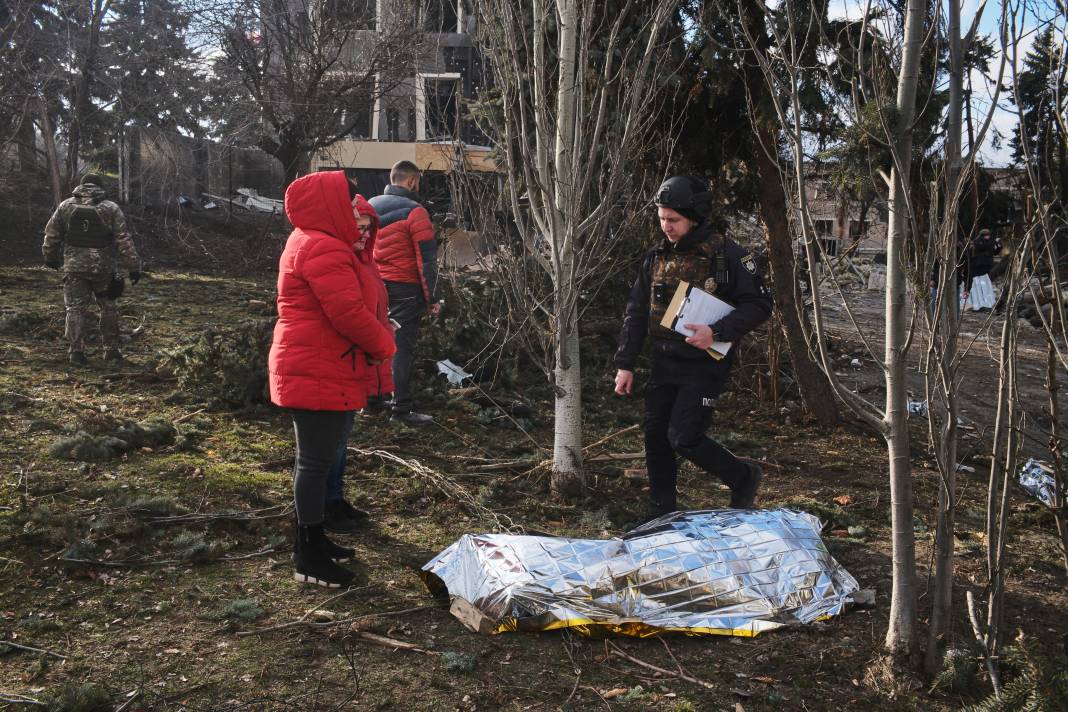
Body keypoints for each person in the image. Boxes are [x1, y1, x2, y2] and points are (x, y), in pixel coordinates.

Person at [613, 175, 773, 526]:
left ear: (695, 217)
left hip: (704, 364)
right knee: (656, 436)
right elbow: (636, 311)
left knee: (684, 437)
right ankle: (661, 511)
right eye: (661, 219)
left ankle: (743, 477)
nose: (666, 227)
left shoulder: (726, 255)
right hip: (664, 360)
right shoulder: (655, 257)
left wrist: (716, 330)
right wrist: (625, 364)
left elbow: (760, 304)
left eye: (674, 220)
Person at [268, 170, 395, 588]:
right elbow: (348, 314)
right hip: (316, 367)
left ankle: (316, 539)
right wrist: (385, 346)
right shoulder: (323, 247)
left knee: (318, 462)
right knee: (314, 462)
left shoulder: (315, 241)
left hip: (322, 364)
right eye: (347, 201)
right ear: (328, 204)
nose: (354, 210)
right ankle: (308, 553)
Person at [42, 173, 141, 365]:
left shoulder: (65, 206)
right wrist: (133, 266)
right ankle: (111, 350)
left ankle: (76, 352)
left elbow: (51, 234)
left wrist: (50, 257)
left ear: (81, 186)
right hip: (103, 268)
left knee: (75, 309)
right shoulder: (111, 208)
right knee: (109, 307)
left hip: (74, 267)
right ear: (100, 187)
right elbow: (124, 240)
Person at [370, 160, 441, 425]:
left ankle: (372, 400)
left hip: (375, 285)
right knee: (401, 347)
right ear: (412, 181)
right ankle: (401, 409)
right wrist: (432, 298)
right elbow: (427, 261)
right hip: (404, 288)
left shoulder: (371, 205)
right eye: (418, 181)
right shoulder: (416, 212)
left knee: (374, 340)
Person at [966, 228, 1001, 311]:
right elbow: (982, 246)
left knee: (985, 284)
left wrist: (999, 246)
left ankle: (986, 303)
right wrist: (993, 242)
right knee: (978, 284)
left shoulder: (989, 242)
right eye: (986, 235)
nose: (987, 237)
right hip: (978, 266)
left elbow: (994, 251)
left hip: (986, 266)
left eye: (988, 235)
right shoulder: (978, 241)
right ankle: (978, 304)